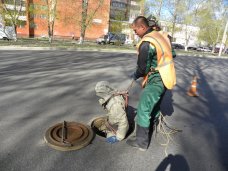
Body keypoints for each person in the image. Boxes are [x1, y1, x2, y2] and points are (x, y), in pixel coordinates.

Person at [126, 16, 176, 151]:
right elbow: (174, 54)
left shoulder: (147, 43)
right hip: (167, 76)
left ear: (142, 27)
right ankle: (151, 128)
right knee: (154, 106)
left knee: (143, 108)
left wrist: (135, 75)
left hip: (157, 79)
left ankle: (141, 143)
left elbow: (142, 69)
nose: (135, 33)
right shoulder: (160, 36)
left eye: (135, 30)